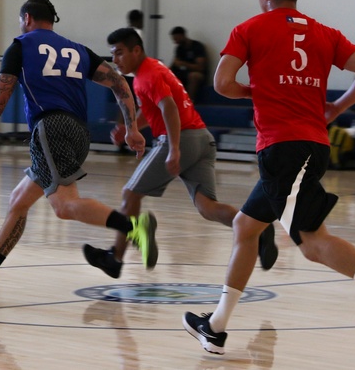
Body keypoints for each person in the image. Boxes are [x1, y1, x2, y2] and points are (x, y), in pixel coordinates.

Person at [183, 0, 355, 355]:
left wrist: (256, 91)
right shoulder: (324, 33)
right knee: (246, 227)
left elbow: (222, 83)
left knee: (312, 242)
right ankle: (216, 326)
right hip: (310, 142)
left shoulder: (249, 29)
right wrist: (336, 108)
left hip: (283, 148)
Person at [0, 0, 157, 298]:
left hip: (50, 129)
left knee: (63, 206)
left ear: (26, 18)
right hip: (78, 132)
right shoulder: (78, 49)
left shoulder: (21, 46)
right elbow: (119, 83)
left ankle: (132, 227)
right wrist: (132, 129)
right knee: (19, 200)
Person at [82, 28, 277, 279]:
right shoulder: (153, 69)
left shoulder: (146, 76)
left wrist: (173, 149)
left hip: (181, 138)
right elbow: (154, 110)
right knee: (207, 207)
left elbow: (169, 109)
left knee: (130, 194)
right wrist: (128, 128)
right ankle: (257, 228)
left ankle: (115, 259)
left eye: (120, 53)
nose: (116, 60)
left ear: (136, 50)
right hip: (201, 138)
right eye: (113, 55)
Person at [170, 26, 207, 102]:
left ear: (182, 36)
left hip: (196, 74)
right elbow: (175, 63)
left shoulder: (197, 46)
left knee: (194, 76)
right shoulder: (179, 48)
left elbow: (200, 67)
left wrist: (183, 64)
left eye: (176, 39)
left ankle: (189, 101)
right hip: (182, 73)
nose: (175, 42)